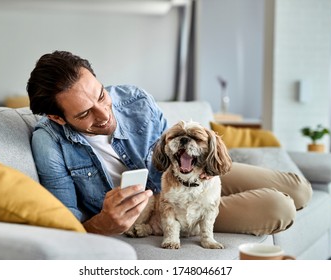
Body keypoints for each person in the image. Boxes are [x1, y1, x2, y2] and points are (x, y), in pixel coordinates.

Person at [27, 50, 312, 236]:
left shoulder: (134, 98)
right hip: (162, 210)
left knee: (298, 189)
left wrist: (201, 169)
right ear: (57, 116)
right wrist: (102, 224)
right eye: (85, 113)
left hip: (189, 177)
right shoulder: (49, 144)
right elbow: (66, 227)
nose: (105, 116)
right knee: (280, 208)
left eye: (101, 96)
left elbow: (170, 150)